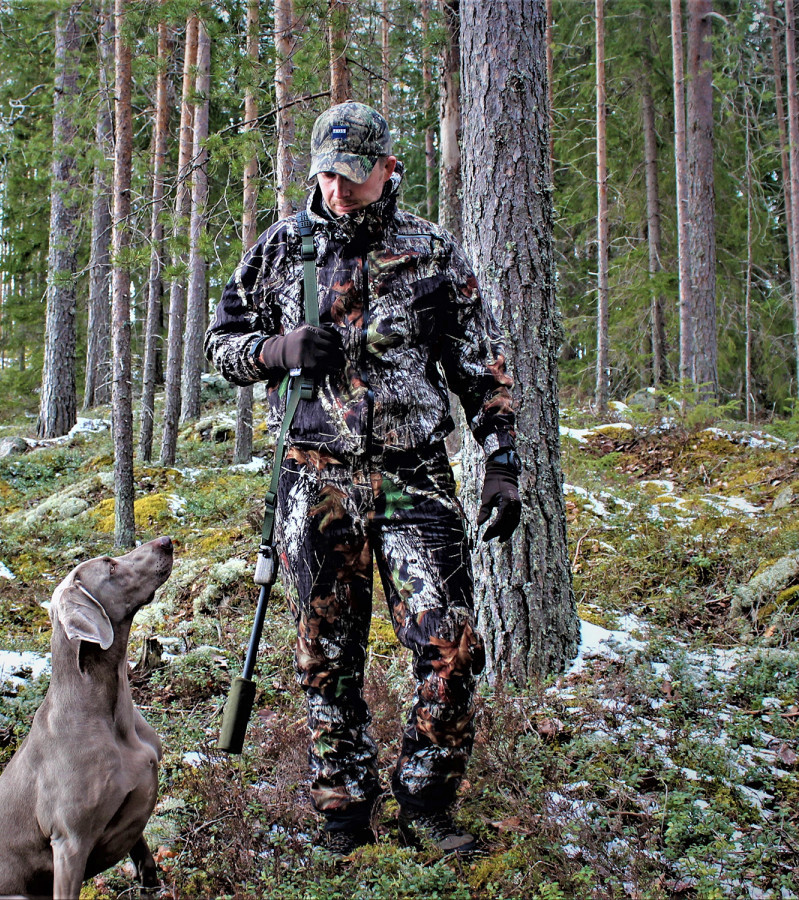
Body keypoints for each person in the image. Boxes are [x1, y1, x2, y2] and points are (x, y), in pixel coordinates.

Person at [205, 101, 521, 858]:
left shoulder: (432, 252)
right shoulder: (283, 248)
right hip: (313, 475)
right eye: (326, 175)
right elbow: (221, 345)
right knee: (326, 656)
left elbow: (480, 364)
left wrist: (502, 463)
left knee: (451, 643)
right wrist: (278, 350)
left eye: (352, 174)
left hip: (416, 475)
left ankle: (427, 806)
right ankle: (343, 815)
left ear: (387, 168)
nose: (338, 190)